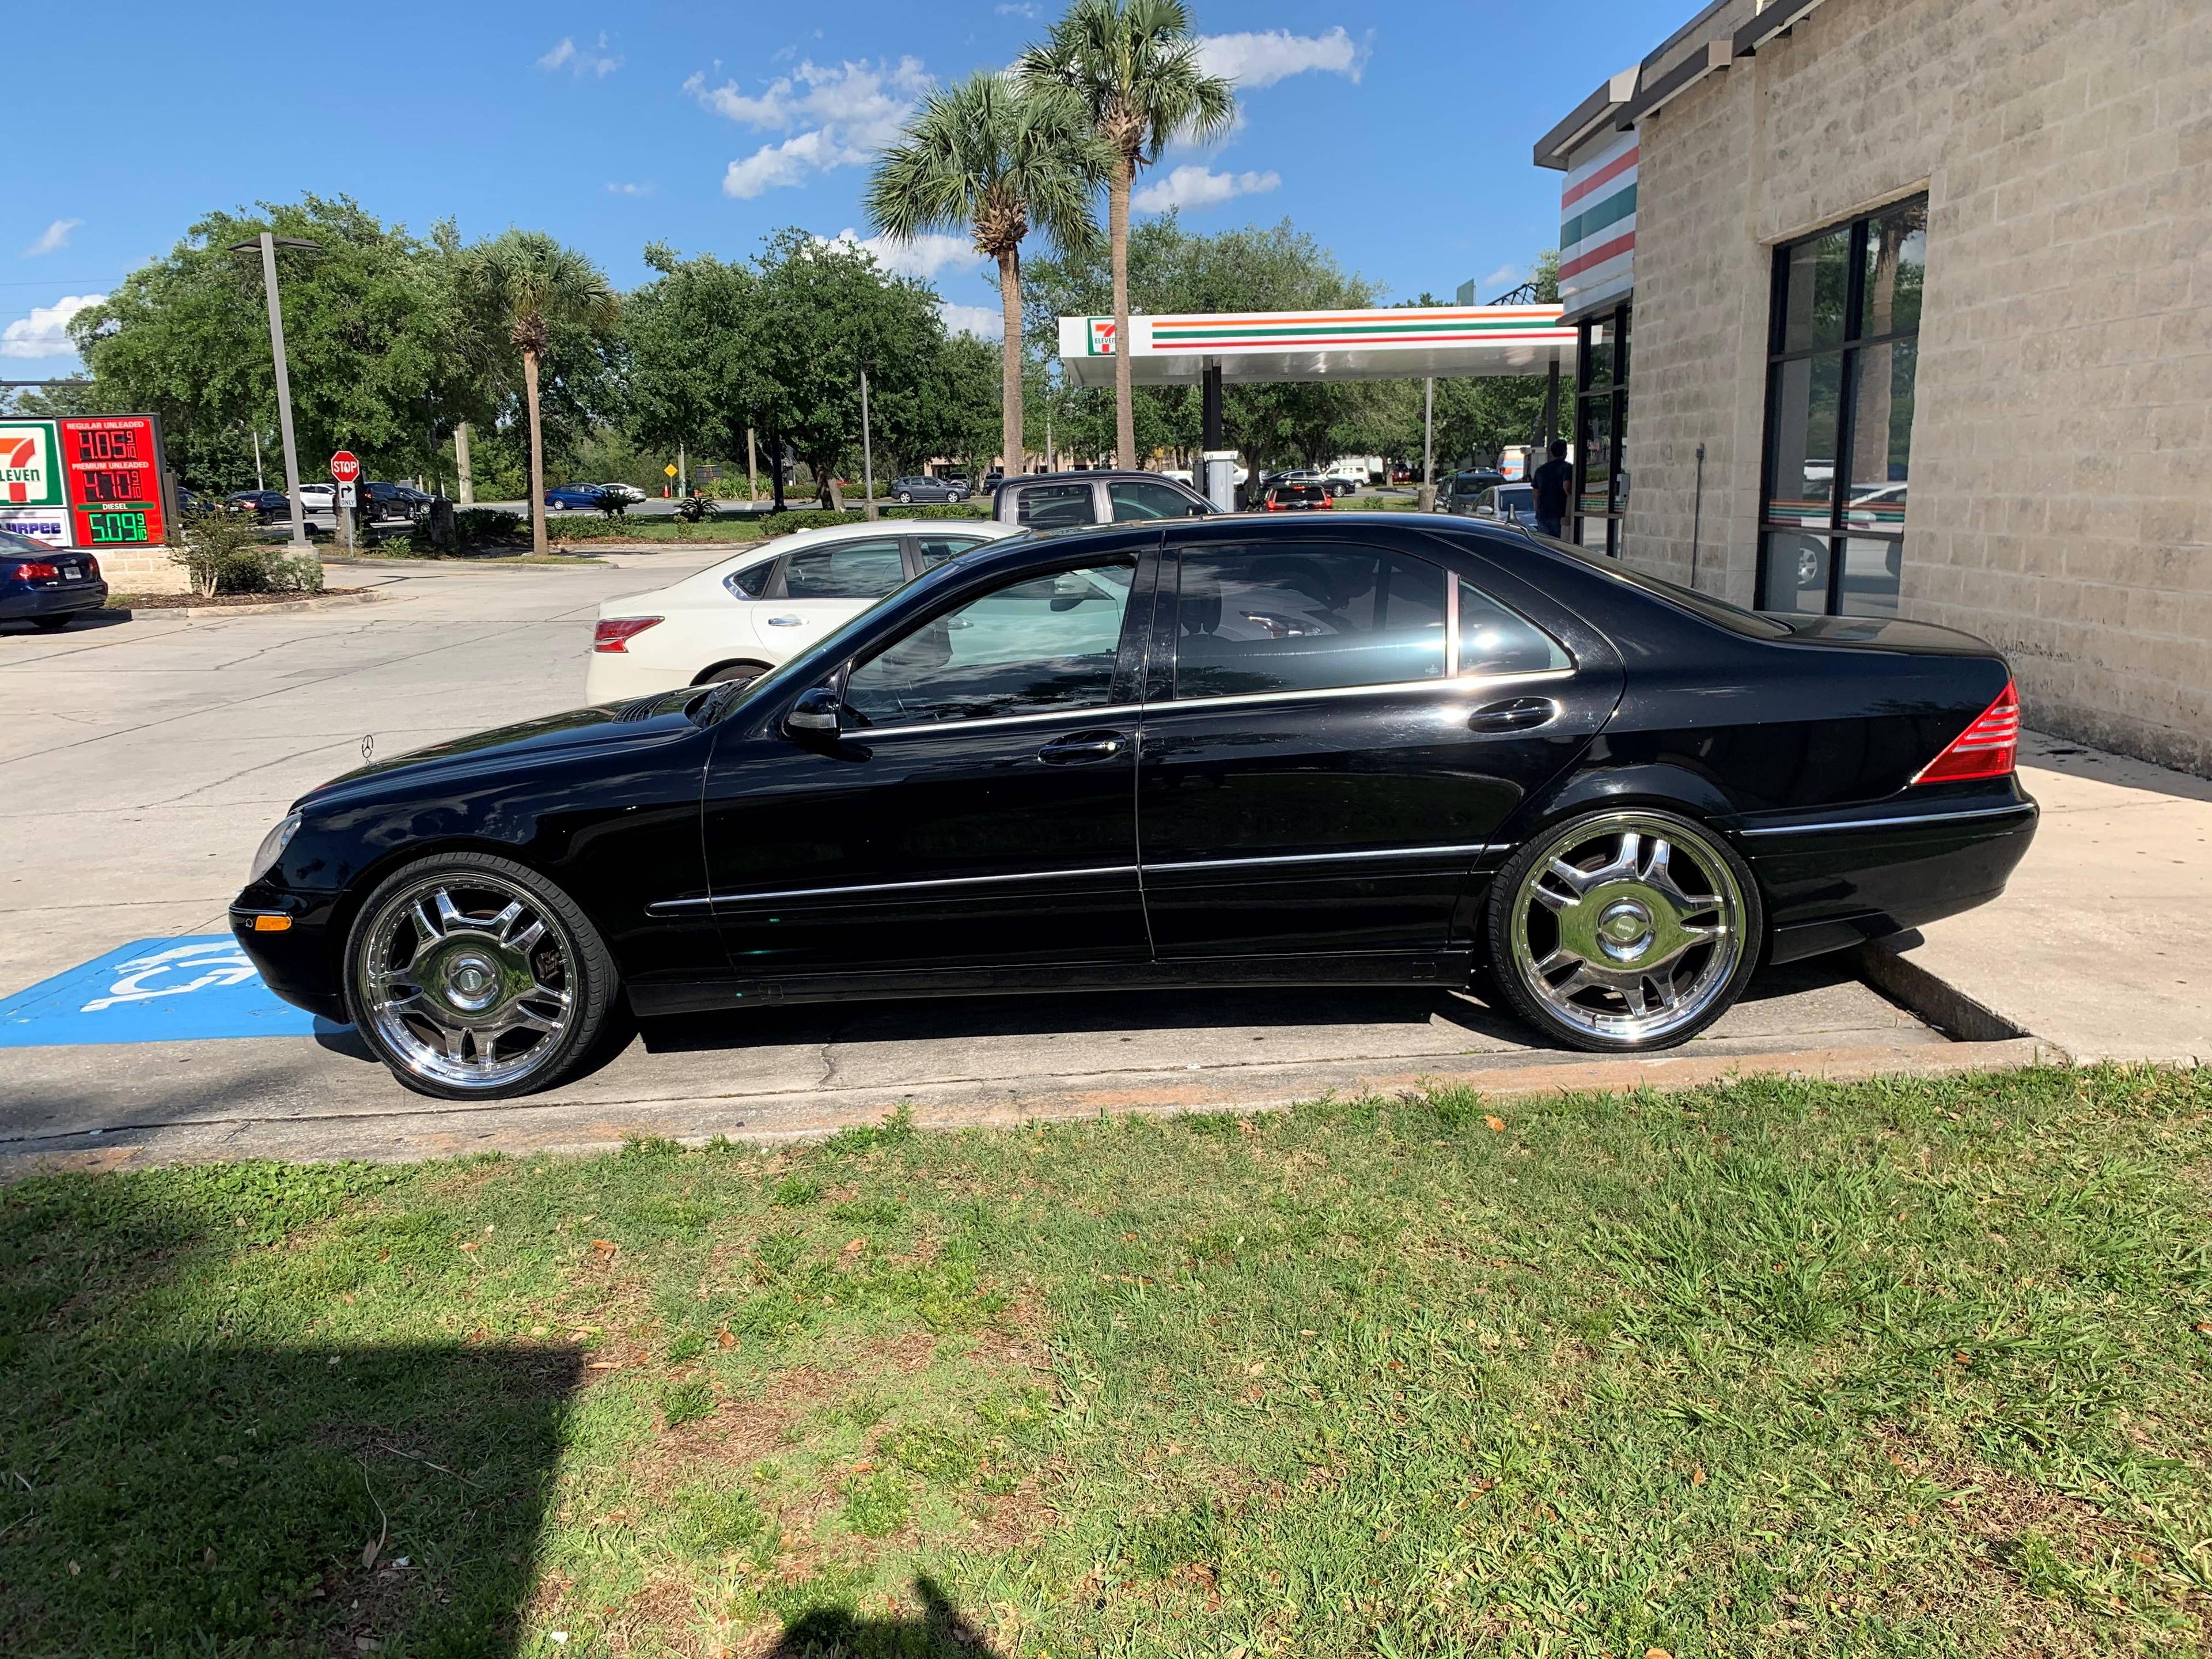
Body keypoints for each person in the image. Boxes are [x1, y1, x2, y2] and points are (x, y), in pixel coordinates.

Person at [1531, 439, 1573, 539]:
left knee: (1546, 545)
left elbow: (1535, 494)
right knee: (1561, 545)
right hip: (1559, 512)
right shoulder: (1568, 468)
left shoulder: (1541, 470)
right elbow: (1567, 486)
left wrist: (1538, 510)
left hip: (1543, 514)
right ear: (1565, 452)